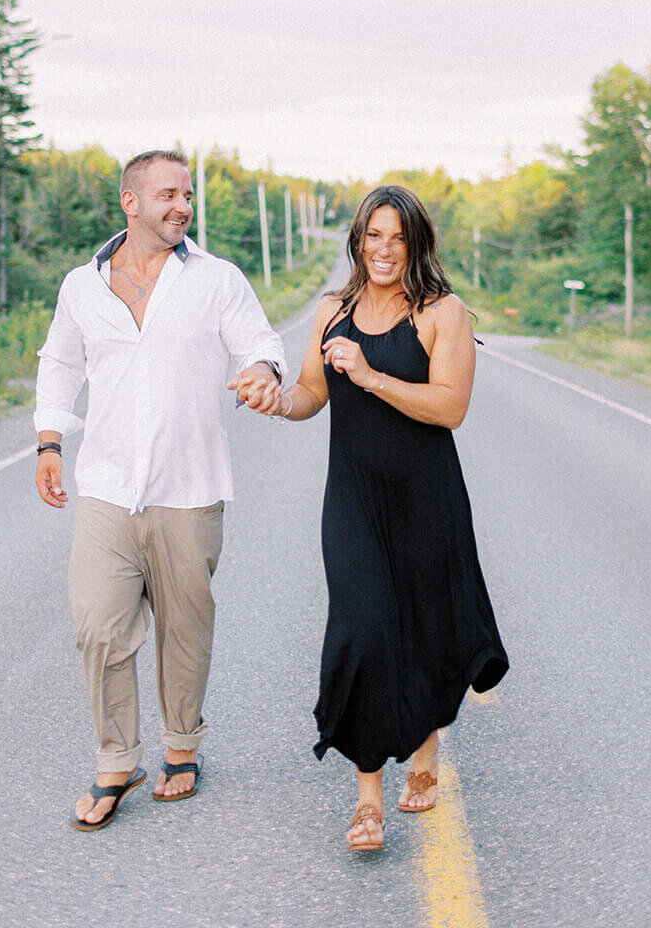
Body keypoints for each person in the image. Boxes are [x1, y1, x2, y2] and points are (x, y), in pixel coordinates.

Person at [240, 184, 508, 852]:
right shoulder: (333, 310)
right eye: (372, 236)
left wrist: (370, 376)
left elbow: (449, 408)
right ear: (357, 241)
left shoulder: (441, 313)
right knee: (361, 633)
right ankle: (367, 800)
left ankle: (424, 747)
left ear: (415, 243)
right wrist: (276, 399)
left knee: (420, 629)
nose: (383, 250)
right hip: (353, 499)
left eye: (397, 237)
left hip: (426, 498)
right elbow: (309, 394)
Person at [34, 149, 286, 830]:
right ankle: (117, 760)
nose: (182, 207)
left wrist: (262, 370)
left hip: (189, 485)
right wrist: (50, 440)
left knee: (185, 629)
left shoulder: (216, 280)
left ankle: (182, 747)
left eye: (188, 196)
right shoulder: (81, 286)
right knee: (97, 626)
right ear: (131, 201)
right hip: (108, 487)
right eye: (169, 195)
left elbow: (258, 343)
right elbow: (58, 364)